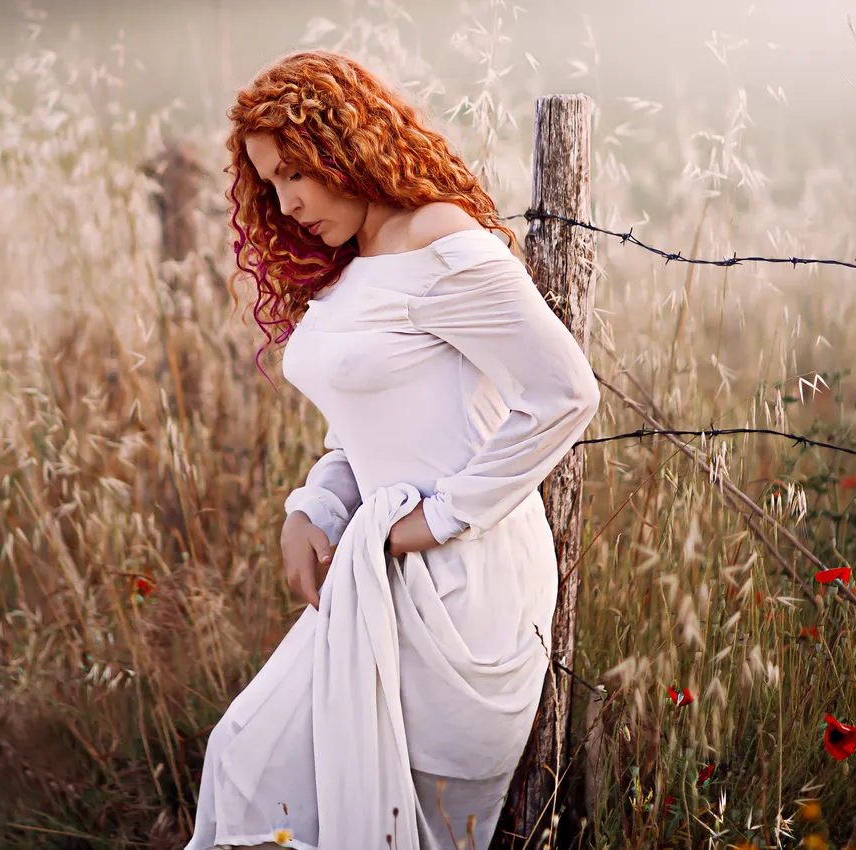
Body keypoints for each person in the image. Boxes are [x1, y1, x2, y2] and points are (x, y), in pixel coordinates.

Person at [185, 49, 600, 850]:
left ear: (344, 145)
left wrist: (440, 519)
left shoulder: (440, 241)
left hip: (461, 585)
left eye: (295, 173)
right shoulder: (359, 264)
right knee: (244, 760)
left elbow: (565, 393)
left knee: (383, 818)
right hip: (377, 565)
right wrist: (316, 504)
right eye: (270, 184)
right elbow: (369, 421)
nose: (286, 201)